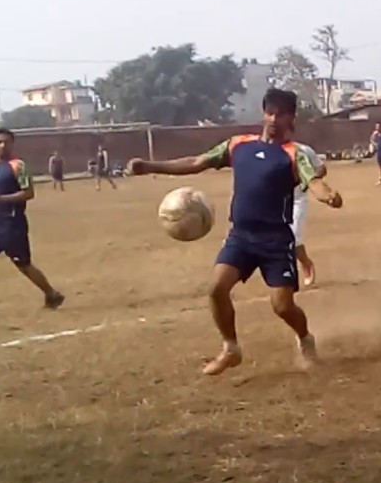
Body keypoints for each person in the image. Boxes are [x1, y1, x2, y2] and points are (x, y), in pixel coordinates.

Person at [127, 89, 343, 377]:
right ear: (263, 113)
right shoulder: (238, 145)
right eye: (270, 112)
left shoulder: (294, 154)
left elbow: (313, 180)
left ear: (292, 118)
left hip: (276, 241)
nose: (274, 119)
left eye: (281, 114)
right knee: (216, 289)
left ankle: (305, 338)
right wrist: (150, 166)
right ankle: (231, 348)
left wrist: (327, 195)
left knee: (282, 307)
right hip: (241, 237)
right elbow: (196, 162)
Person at [0, 128, 65, 318]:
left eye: (7, 142)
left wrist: (2, 200)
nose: (3, 145)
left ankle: (52, 294)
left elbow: (28, 193)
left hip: (12, 224)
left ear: (12, 144)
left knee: (23, 265)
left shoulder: (18, 166)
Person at [291, 142, 326, 288]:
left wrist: (308, 179)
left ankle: (306, 264)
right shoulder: (269, 150)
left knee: (294, 238)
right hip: (276, 201)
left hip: (298, 199)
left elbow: (321, 169)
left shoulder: (304, 150)